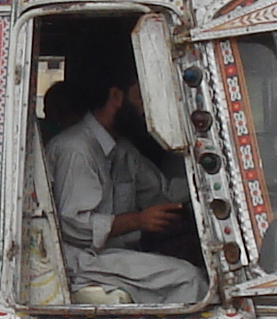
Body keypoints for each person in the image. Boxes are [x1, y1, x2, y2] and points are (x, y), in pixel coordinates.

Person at [42, 72, 203, 306]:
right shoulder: (76, 149)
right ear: (116, 96)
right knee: (189, 279)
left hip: (114, 256)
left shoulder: (122, 150)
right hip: (83, 261)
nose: (144, 108)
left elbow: (161, 193)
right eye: (140, 97)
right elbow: (73, 225)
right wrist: (137, 221)